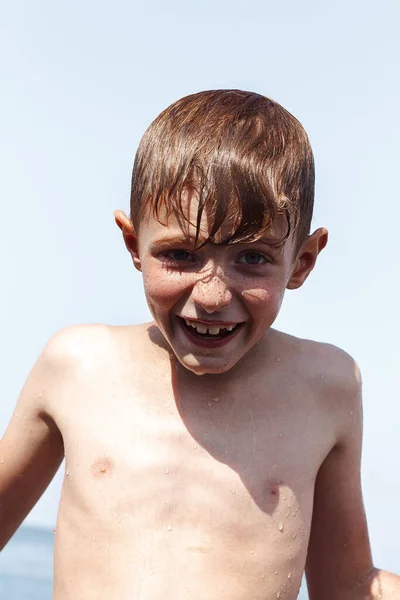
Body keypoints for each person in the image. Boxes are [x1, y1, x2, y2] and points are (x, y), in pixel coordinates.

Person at [0, 89, 398, 600]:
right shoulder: (79, 366)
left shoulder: (325, 386)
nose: (211, 296)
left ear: (302, 261)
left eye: (252, 258)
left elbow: (347, 588)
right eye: (181, 254)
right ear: (133, 244)